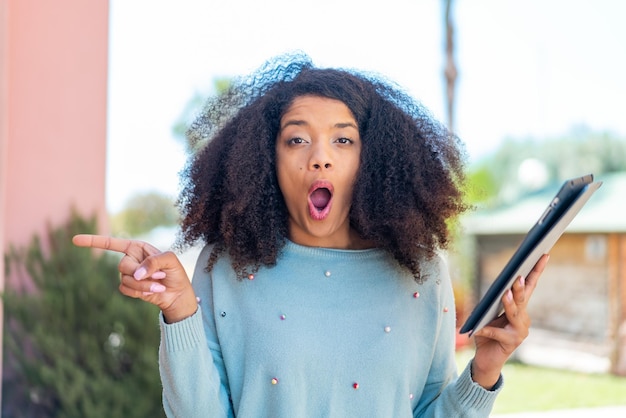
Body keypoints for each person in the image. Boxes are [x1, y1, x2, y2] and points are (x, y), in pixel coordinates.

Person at [73, 53, 549, 417]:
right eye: (297, 139)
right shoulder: (224, 267)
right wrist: (178, 311)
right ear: (265, 158)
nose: (319, 157)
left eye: (343, 139)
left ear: (373, 160)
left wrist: (484, 370)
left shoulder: (422, 272)